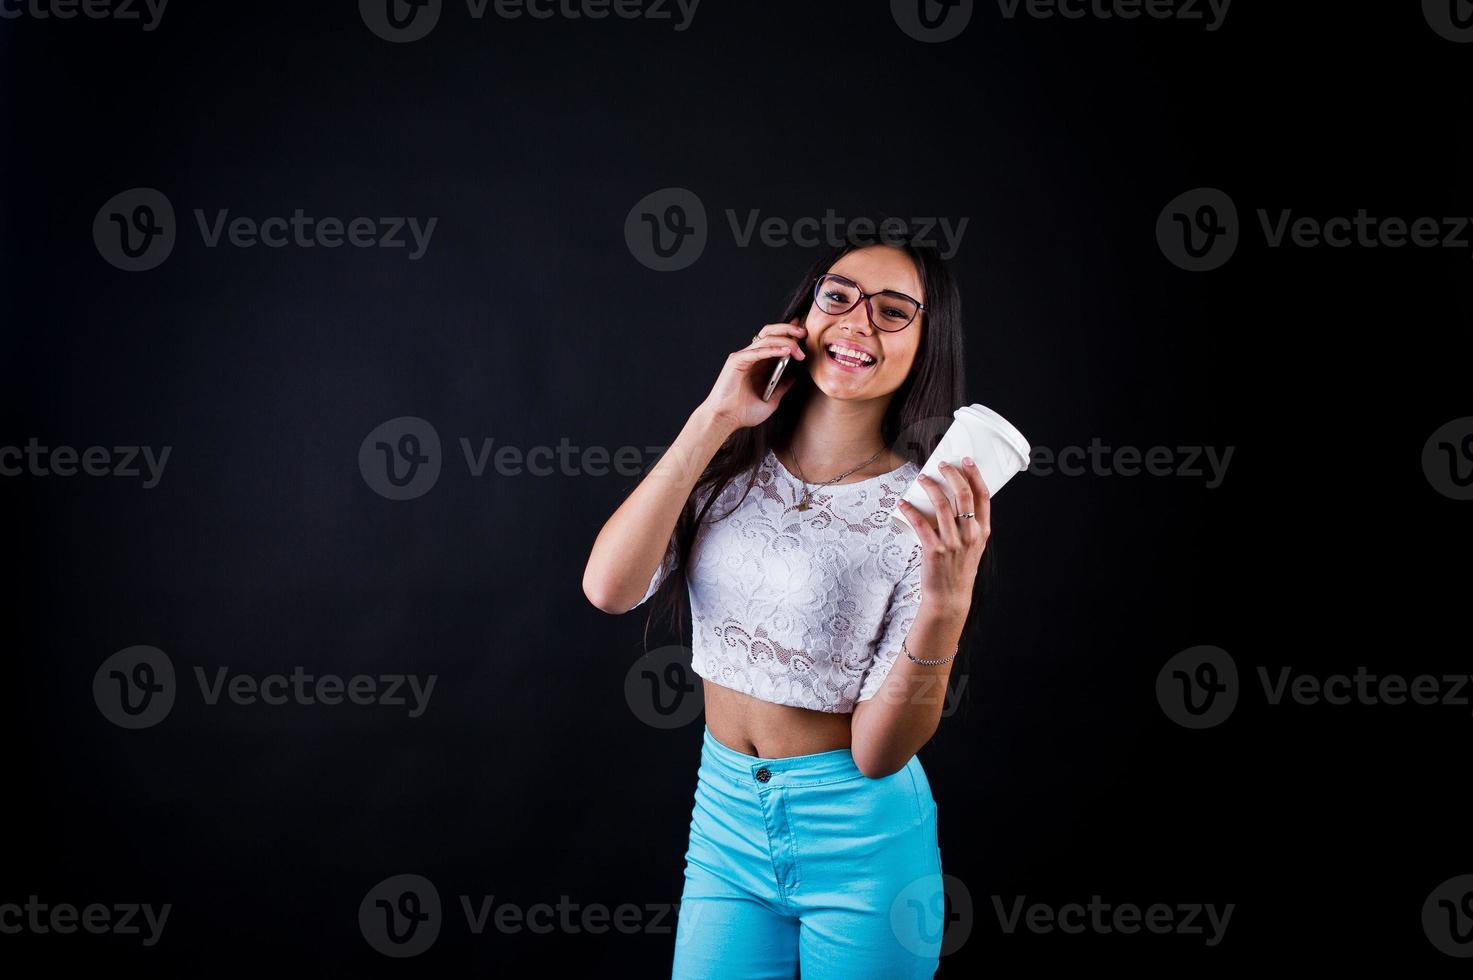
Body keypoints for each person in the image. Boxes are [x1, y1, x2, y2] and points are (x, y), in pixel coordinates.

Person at [583, 239, 992, 978]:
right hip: (723, 828)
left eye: (893, 312)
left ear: (927, 345)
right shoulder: (725, 465)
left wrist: (946, 602)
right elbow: (608, 589)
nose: (858, 322)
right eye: (838, 296)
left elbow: (877, 754)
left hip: (863, 846)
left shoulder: (921, 512)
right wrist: (713, 416)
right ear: (804, 315)